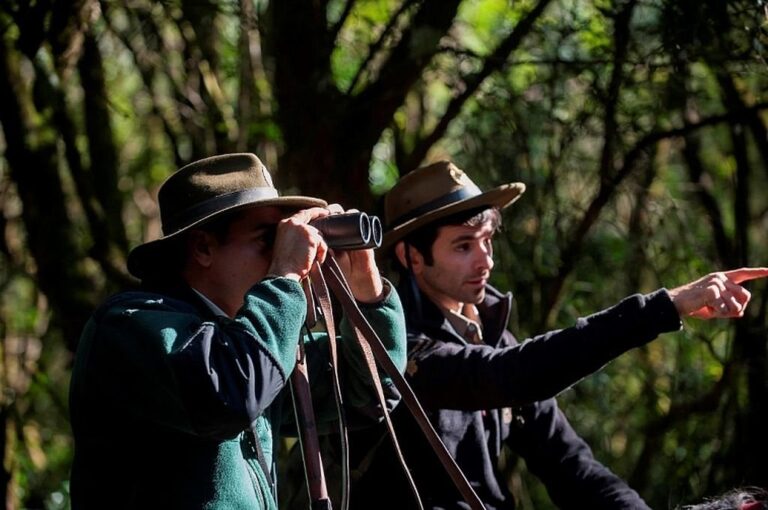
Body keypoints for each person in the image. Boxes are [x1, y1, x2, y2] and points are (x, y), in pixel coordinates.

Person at [343, 160, 768, 510]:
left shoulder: (492, 337)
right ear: (412, 257)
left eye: (488, 241)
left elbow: (570, 465)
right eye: (463, 246)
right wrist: (664, 306)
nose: (486, 261)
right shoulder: (397, 344)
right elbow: (506, 375)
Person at [68, 153, 407, 509]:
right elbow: (232, 393)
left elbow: (369, 392)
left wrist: (365, 286)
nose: (282, 251)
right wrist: (285, 274)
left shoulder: (250, 341)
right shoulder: (129, 326)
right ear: (203, 247)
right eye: (268, 239)